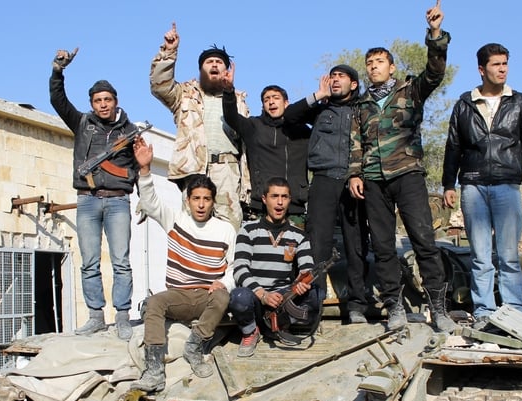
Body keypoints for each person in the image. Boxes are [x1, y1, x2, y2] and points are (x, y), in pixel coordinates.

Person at [347, 0, 456, 333]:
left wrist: (435, 34)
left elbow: (435, 72)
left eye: (379, 62)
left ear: (391, 67)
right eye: (369, 63)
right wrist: (354, 174)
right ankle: (394, 306)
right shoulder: (362, 104)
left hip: (407, 174)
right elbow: (356, 142)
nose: (373, 67)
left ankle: (438, 308)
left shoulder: (411, 90)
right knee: (383, 247)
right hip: (374, 180)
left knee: (424, 241)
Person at [442, 43, 522, 329]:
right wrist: (448, 183)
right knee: (480, 255)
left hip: (507, 184)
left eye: (505, 64)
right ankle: (484, 311)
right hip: (473, 185)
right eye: (496, 64)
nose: (502, 69)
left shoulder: (520, 102)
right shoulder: (465, 104)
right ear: (481, 69)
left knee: (508, 255)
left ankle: (515, 309)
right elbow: (453, 146)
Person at [129, 138, 236, 392]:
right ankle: (154, 370)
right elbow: (151, 203)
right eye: (196, 198)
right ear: (188, 200)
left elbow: (234, 267)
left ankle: (194, 347)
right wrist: (144, 169)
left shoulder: (225, 230)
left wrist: (224, 282)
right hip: (179, 295)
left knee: (223, 297)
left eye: (206, 199)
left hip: (207, 296)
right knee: (154, 303)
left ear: (213, 202)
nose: (201, 204)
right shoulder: (175, 220)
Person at [49, 48, 138, 340]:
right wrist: (58, 71)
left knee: (121, 262)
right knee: (89, 262)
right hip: (87, 199)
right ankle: (96, 317)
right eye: (98, 100)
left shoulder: (130, 130)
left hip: (118, 201)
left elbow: (138, 166)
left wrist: (137, 191)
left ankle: (122, 317)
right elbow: (58, 101)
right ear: (92, 104)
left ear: (116, 101)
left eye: (107, 99)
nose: (103, 104)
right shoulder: (82, 124)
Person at [283, 65, 370, 323]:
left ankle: (357, 305)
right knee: (317, 244)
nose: (335, 80)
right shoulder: (321, 108)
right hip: (323, 180)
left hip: (354, 181)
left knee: (356, 244)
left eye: (341, 76)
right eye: (332, 76)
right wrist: (318, 95)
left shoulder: (364, 108)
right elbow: (290, 116)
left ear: (353, 84)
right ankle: (315, 302)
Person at [150, 22, 250, 230]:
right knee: (191, 229)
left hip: (227, 170)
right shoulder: (184, 95)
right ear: (200, 69)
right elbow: (159, 86)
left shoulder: (239, 100)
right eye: (209, 62)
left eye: (219, 62)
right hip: (195, 169)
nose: (214, 65)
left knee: (230, 228)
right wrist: (169, 52)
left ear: (227, 70)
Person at [229, 177, 318, 357]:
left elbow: (307, 267)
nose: (279, 202)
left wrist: (302, 282)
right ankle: (250, 331)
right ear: (264, 199)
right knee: (239, 297)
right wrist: (263, 295)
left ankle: (280, 325)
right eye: (274, 196)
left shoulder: (299, 235)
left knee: (316, 294)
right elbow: (240, 269)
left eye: (284, 197)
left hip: (283, 297)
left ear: (289, 200)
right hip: (256, 296)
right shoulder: (248, 230)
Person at [222, 74, 311, 223]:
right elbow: (231, 117)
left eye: (276, 98)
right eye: (266, 99)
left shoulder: (302, 130)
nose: (271, 102)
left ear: (286, 103)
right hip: (262, 207)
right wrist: (228, 92)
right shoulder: (253, 126)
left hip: (295, 207)